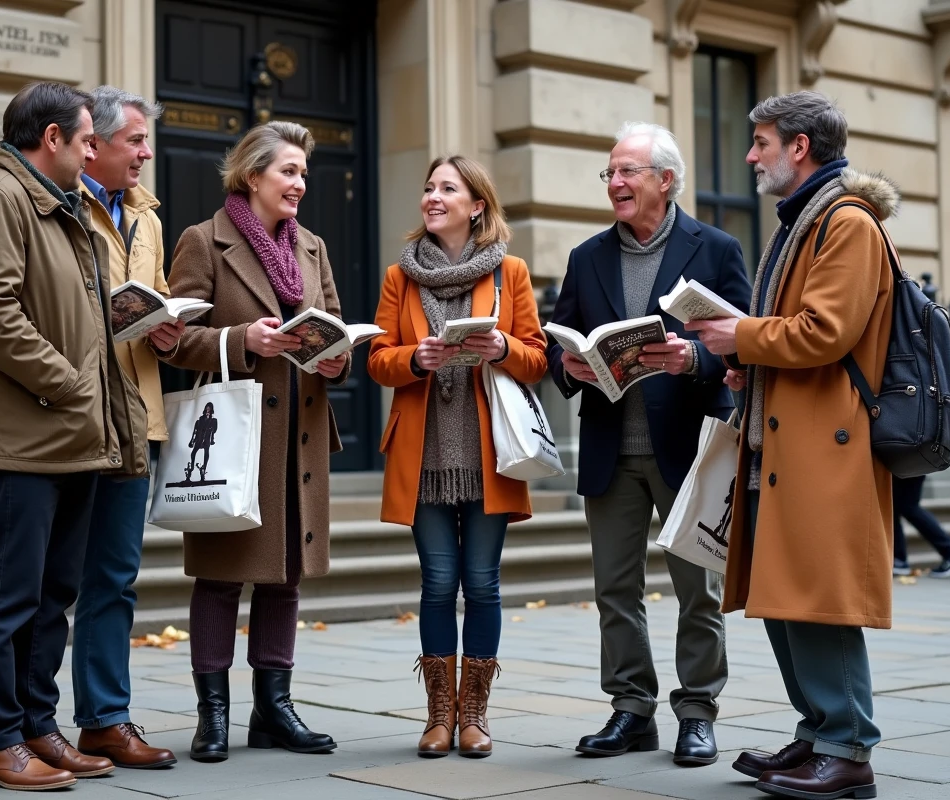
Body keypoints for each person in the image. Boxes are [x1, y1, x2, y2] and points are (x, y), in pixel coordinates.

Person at [691, 90, 897, 799]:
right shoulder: (806, 219)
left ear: (799, 147)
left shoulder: (846, 221)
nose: (752, 156)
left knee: (818, 603)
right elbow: (800, 336)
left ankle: (848, 750)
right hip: (783, 443)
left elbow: (825, 332)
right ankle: (817, 733)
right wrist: (746, 359)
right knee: (784, 598)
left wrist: (739, 335)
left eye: (762, 142)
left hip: (823, 447)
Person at [0, 81, 148, 791]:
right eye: (88, 139)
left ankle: (36, 726)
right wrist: (67, 382)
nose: (94, 152)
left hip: (70, 436)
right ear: (53, 137)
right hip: (25, 437)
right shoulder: (0, 196)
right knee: (8, 597)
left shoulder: (58, 205)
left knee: (50, 597)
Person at [546, 122, 750, 766]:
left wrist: (695, 359)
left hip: (688, 449)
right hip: (611, 448)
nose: (615, 182)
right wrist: (569, 366)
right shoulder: (586, 256)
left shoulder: (716, 249)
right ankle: (631, 710)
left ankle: (698, 712)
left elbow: (745, 345)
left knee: (699, 592)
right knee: (615, 590)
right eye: (609, 172)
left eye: (626, 171)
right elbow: (561, 341)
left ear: (665, 179)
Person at [155, 121, 349, 762]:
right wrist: (242, 340)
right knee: (219, 579)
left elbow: (336, 327)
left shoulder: (312, 247)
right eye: (288, 171)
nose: (300, 183)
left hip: (300, 436)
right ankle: (213, 714)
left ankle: (274, 709)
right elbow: (172, 338)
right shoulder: (203, 241)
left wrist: (336, 357)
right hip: (234, 437)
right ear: (252, 175)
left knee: (284, 576)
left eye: (303, 173)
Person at [368, 155, 548, 759]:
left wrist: (502, 348)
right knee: (439, 583)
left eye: (448, 188)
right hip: (423, 458)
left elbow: (537, 359)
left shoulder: (509, 272)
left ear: (476, 206)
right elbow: (378, 359)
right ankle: (438, 716)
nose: (433, 196)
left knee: (484, 584)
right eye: (428, 187)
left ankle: (474, 715)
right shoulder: (400, 276)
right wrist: (414, 359)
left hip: (491, 455)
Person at [70, 86, 183, 770]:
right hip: (74, 414)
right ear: (95, 145)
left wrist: (167, 328)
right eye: (135, 140)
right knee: (54, 580)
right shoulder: (59, 202)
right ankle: (25, 724)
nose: (146, 153)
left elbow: (157, 293)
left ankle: (105, 721)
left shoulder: (147, 216)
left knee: (115, 576)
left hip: (135, 416)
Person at [891, 476, 950, 578]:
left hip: (907, 468)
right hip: (908, 468)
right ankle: (899, 560)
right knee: (894, 506)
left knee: (908, 506)